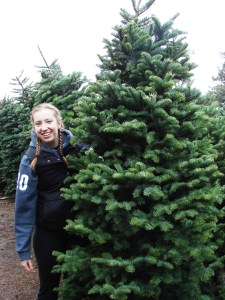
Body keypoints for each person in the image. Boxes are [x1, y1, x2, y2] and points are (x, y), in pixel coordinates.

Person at [14, 103, 90, 300]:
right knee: (49, 291)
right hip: (48, 233)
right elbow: (23, 206)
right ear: (34, 127)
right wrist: (23, 251)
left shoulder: (78, 148)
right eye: (38, 123)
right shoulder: (31, 159)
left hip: (80, 230)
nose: (44, 127)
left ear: (58, 122)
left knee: (80, 287)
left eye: (48, 121)